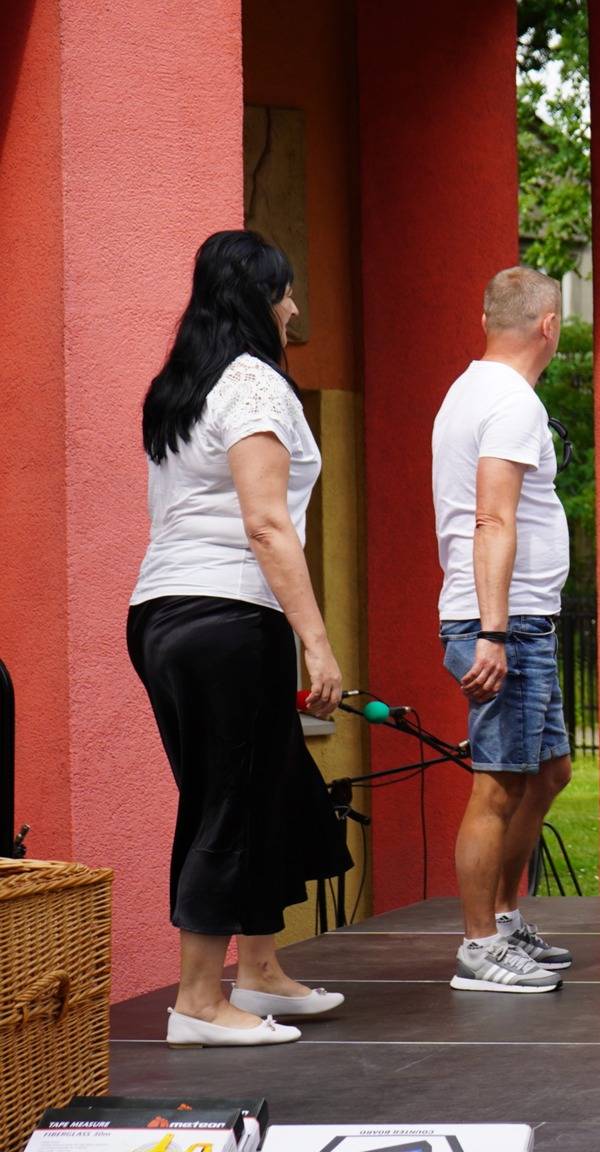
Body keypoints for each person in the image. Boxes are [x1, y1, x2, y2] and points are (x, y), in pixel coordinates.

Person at [129, 229, 351, 1048]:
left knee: (270, 788)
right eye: (285, 291)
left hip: (166, 613)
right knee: (227, 801)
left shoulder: (184, 385)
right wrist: (316, 642)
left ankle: (259, 972)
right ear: (260, 298)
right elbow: (265, 522)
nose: (294, 307)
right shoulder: (254, 384)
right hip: (226, 614)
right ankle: (198, 1001)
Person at [431, 266, 576, 993]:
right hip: (505, 621)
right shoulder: (512, 401)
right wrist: (492, 632)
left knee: (548, 773)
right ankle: (479, 946)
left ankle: (503, 918)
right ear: (548, 326)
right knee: (497, 785)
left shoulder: (469, 389)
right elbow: (492, 518)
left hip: (520, 617)